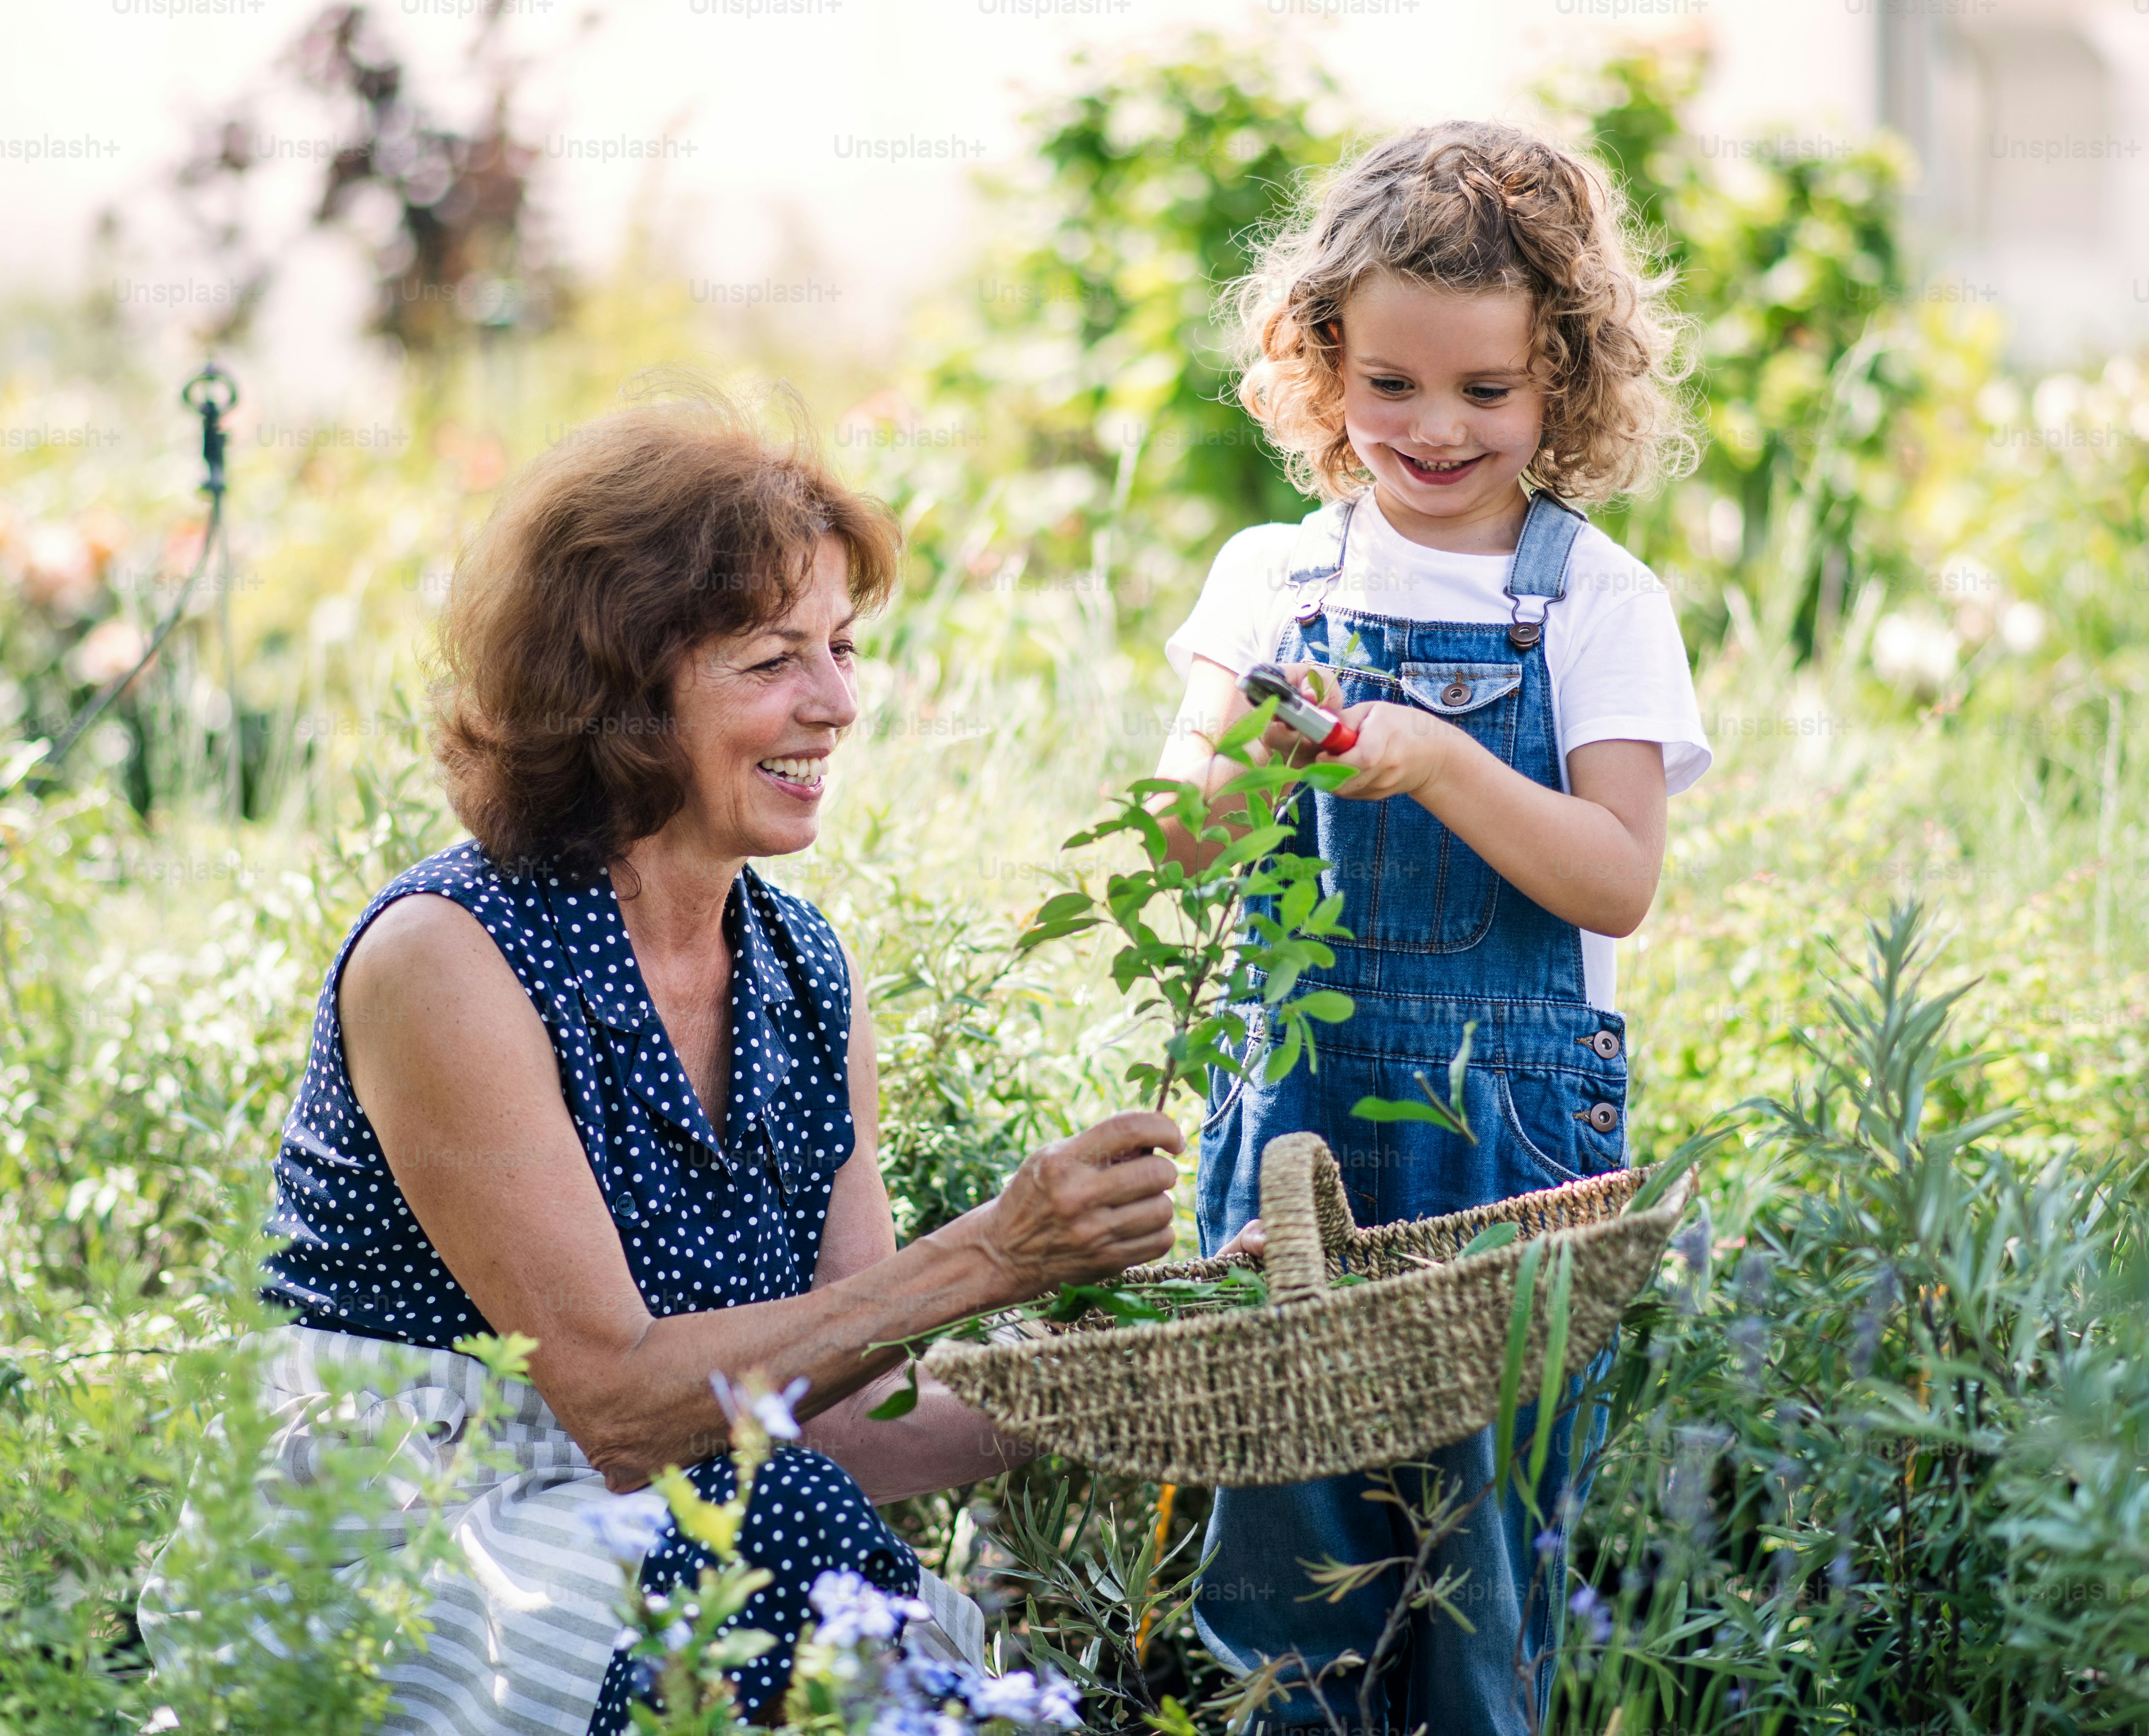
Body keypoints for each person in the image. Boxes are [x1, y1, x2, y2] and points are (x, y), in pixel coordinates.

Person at [226, 389, 1182, 1733]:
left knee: (790, 1528)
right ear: (620, 687)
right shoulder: (446, 959)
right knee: (812, 1571)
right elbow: (619, 1407)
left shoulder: (800, 974)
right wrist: (999, 1253)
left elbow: (844, 1411)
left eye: (843, 648)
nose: (839, 703)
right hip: (425, 1542)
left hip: (698, 1524)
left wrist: (1134, 1382)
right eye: (773, 659)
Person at [1154, 121, 1714, 1732]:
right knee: (1284, 1588)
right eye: (1392, 383)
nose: (1436, 427)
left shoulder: (1599, 602)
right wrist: (1263, 747)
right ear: (1324, 364)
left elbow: (1615, 876)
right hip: (1300, 1144)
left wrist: (1446, 760)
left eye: (1488, 391)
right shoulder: (1273, 580)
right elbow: (1179, 849)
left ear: (1566, 385)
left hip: (1512, 1154)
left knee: (1482, 1586)